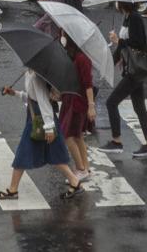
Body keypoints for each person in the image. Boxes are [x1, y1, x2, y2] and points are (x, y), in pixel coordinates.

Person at [0, 69, 84, 200]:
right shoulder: (30, 72)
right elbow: (32, 97)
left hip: (40, 119)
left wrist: (49, 128)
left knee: (23, 152)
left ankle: (13, 190)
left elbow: (43, 101)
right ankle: (74, 182)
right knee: (54, 153)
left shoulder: (36, 76)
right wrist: (14, 93)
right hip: (36, 116)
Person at [99, 2, 147, 157]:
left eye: (118, 0)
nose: (116, 3)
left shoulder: (135, 18)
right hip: (131, 70)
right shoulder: (127, 17)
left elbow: (139, 43)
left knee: (111, 102)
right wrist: (109, 63)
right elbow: (122, 48)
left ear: (124, 2)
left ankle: (116, 141)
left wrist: (119, 41)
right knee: (139, 107)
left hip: (134, 70)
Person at [60, 35, 95, 182]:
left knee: (68, 136)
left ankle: (80, 168)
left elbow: (88, 84)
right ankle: (84, 168)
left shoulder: (82, 59)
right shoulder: (73, 56)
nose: (62, 38)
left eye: (64, 36)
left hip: (77, 103)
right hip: (70, 100)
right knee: (78, 136)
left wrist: (91, 106)